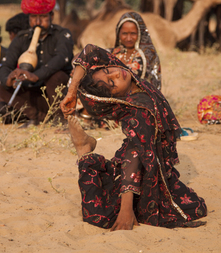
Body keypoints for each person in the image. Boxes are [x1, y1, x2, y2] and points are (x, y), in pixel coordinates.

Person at [61, 44, 207, 230]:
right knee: (101, 216)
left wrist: (72, 90)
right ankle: (84, 150)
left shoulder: (128, 76)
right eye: (112, 83)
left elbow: (90, 51)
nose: (115, 74)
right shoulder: (138, 111)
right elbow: (135, 152)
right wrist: (126, 209)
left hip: (151, 165)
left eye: (108, 70)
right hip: (135, 167)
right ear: (114, 98)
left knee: (196, 207)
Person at [0, 0, 73, 126]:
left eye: (43, 17)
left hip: (59, 95)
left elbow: (61, 58)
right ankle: (38, 118)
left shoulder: (62, 34)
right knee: (1, 86)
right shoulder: (22, 38)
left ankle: (61, 118)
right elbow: (6, 65)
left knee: (55, 76)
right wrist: (8, 79)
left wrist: (36, 75)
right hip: (35, 96)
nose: (38, 22)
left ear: (52, 16)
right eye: (33, 17)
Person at [110, 12, 161, 90]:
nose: (129, 38)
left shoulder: (148, 56)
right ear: (118, 33)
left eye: (133, 33)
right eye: (124, 33)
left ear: (140, 33)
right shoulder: (112, 53)